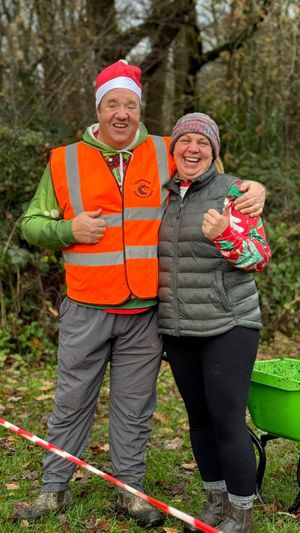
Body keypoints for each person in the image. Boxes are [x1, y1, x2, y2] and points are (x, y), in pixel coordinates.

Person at [18, 60, 266, 529]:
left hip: (145, 312)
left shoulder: (165, 150)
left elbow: (215, 173)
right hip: (86, 307)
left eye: (129, 105)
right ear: (98, 108)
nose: (121, 113)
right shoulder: (63, 160)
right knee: (72, 401)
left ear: (139, 110)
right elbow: (31, 223)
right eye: (112, 103)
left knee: (135, 409)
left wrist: (256, 189)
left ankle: (129, 492)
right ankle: (54, 491)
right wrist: (69, 228)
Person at [158, 113, 271, 533]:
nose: (192, 148)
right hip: (180, 326)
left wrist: (226, 233)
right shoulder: (165, 196)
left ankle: (241, 513)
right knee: (199, 418)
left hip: (229, 323)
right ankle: (215, 500)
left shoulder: (233, 193)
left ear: (214, 151)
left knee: (226, 418)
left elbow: (257, 257)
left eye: (202, 142)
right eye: (184, 140)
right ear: (173, 150)